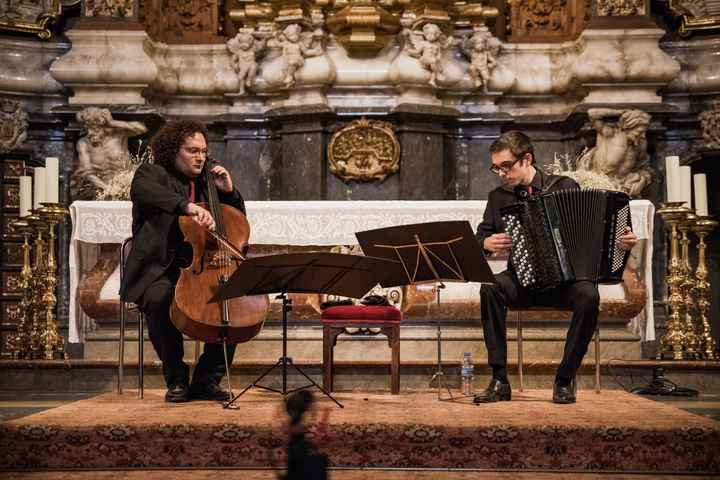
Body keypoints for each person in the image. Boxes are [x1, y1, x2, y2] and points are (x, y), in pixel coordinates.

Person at [474, 130, 637, 404]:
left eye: (506, 166)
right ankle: (499, 379)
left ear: (527, 159)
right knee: (490, 288)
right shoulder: (498, 198)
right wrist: (487, 243)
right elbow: (480, 238)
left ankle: (564, 379)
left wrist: (622, 241)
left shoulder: (564, 187)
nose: (501, 173)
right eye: (496, 168)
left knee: (589, 295)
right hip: (522, 281)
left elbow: (594, 234)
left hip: (565, 283)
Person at [119, 120, 246, 403]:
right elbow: (145, 193)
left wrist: (228, 192)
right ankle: (176, 378)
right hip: (159, 266)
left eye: (203, 151)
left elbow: (235, 223)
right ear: (173, 151)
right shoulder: (150, 174)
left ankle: (206, 380)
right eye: (192, 151)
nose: (200, 157)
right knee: (159, 298)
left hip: (204, 268)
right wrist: (186, 207)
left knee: (233, 302)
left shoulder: (207, 181)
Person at [280, 390, 329, 480]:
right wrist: (325, 418)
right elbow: (316, 442)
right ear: (307, 407)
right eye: (313, 403)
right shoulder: (299, 429)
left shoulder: (294, 425)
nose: (316, 406)